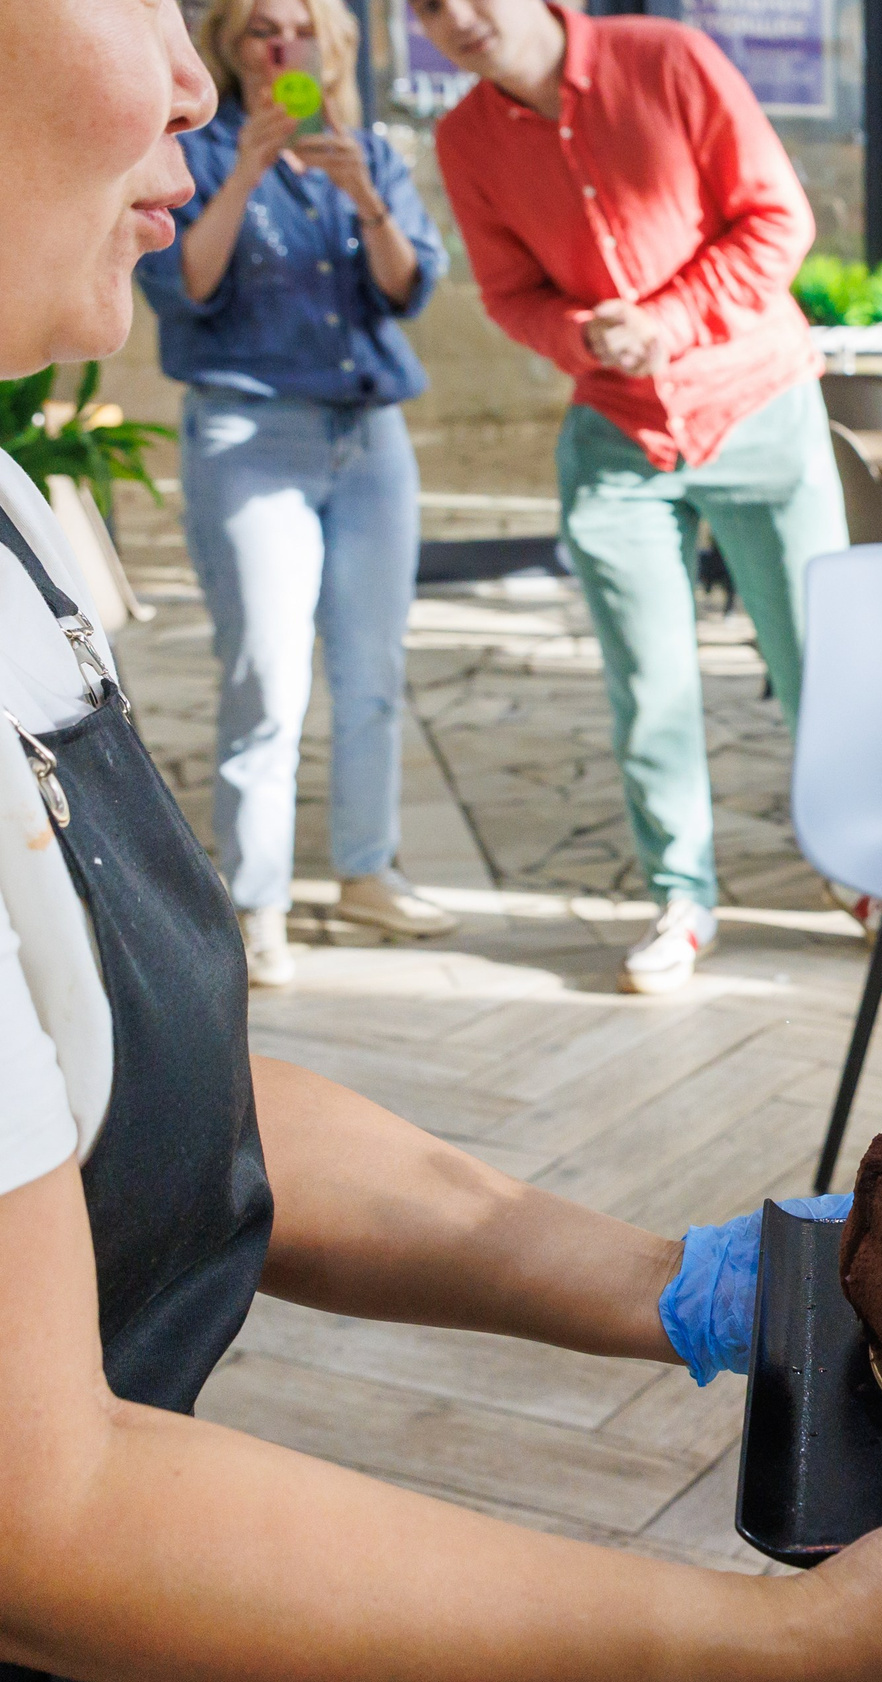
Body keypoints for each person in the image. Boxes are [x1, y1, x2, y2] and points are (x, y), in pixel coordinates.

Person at [0, 3, 882, 1682]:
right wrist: (793, 1644)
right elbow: (52, 1510)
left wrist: (697, 1285)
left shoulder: (22, 529)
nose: (198, 80)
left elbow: (169, 1105)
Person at [414, 0, 850, 996]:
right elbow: (508, 294)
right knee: (649, 683)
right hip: (616, 431)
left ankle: (861, 873)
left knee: (817, 665)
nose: (457, 16)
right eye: (428, 5)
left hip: (756, 405)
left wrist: (666, 317)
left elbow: (779, 218)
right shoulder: (465, 137)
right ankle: (680, 895)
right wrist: (585, 339)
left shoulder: (669, 61)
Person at [132, 0, 459, 987]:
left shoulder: (370, 152)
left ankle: (367, 871)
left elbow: (410, 290)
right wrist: (245, 172)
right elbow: (185, 284)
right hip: (249, 435)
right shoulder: (196, 148)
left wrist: (365, 200)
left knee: (372, 672)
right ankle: (256, 898)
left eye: (299, 29)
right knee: (267, 679)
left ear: (335, 44)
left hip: (370, 437)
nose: (281, 47)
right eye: (260, 30)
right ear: (231, 46)